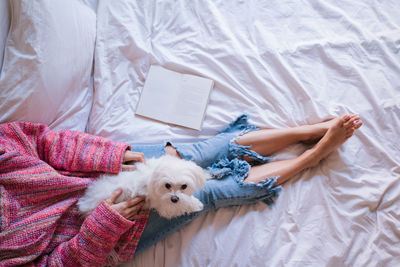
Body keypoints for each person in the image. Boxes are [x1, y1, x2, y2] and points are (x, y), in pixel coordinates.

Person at [0, 114, 362, 266]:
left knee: (197, 154)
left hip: (96, 171)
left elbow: (38, 141)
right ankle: (310, 157)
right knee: (204, 195)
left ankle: (302, 132)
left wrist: (118, 154)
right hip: (97, 228)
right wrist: (103, 226)